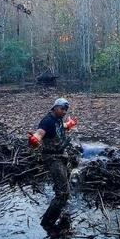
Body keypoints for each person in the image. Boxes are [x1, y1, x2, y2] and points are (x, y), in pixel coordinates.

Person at [28, 98, 78, 231]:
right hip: (53, 158)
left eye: (66, 109)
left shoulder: (58, 119)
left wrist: (69, 124)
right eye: (62, 109)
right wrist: (35, 139)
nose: (64, 112)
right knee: (63, 194)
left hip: (62, 155)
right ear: (55, 107)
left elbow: (60, 128)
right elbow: (40, 133)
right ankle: (47, 223)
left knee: (64, 183)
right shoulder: (47, 121)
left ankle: (60, 208)